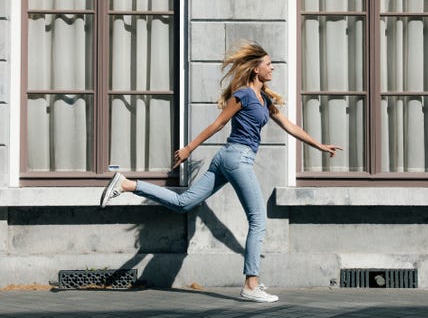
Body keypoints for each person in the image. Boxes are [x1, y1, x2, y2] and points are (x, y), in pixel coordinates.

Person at [100, 41, 342, 302]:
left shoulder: (265, 99)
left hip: (228, 159)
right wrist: (189, 148)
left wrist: (319, 145)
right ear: (255, 69)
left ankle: (127, 185)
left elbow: (289, 126)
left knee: (184, 203)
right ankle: (251, 285)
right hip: (237, 158)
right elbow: (218, 123)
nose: (273, 68)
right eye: (268, 64)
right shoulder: (244, 95)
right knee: (258, 220)